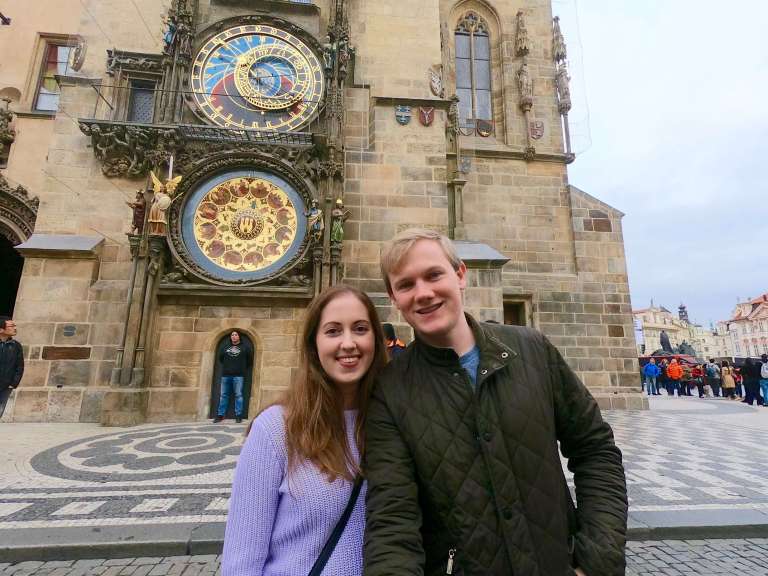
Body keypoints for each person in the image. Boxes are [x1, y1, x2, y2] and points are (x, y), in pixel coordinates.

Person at [364, 228, 627, 576]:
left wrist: (595, 561)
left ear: (460, 275)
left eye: (433, 275)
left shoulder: (532, 349)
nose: (423, 293)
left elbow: (595, 450)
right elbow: (392, 517)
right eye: (406, 284)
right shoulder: (392, 389)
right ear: (393, 297)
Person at [222, 285, 388, 576]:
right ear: (314, 344)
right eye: (333, 331)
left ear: (376, 338)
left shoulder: (392, 423)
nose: (348, 343)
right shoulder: (275, 429)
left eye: (360, 328)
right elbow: (241, 562)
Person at [214, 331, 253, 423]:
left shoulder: (245, 348)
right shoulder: (225, 347)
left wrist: (241, 367)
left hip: (239, 376)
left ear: (239, 337)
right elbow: (221, 358)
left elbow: (250, 361)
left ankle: (238, 415)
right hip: (226, 375)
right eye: (232, 335)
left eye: (236, 335)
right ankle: (220, 415)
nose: (234, 336)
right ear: (230, 337)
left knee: (238, 395)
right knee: (223, 395)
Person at [0, 317, 23, 418]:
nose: (15, 328)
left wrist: (13, 383)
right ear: (1, 329)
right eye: (11, 326)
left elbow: (20, 366)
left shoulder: (16, 346)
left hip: (6, 386)